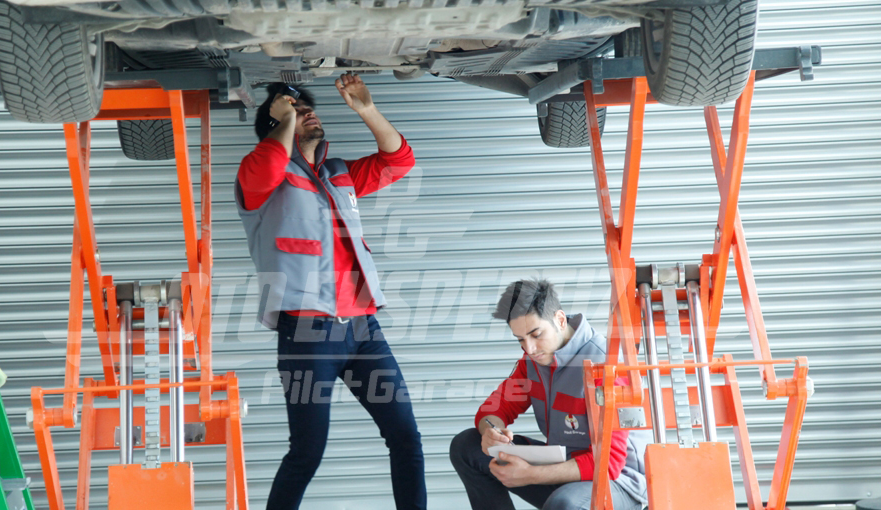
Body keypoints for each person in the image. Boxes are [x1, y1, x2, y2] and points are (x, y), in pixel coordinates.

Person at [235, 75, 426, 510]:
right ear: (277, 124)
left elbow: (399, 160)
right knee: (306, 453)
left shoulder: (339, 173)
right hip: (307, 336)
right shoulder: (261, 176)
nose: (308, 113)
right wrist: (283, 120)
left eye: (308, 109)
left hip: (363, 331)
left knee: (405, 437)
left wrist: (367, 110)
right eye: (296, 111)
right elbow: (268, 164)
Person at [450, 279, 650, 510]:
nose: (529, 348)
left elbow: (610, 464)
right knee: (467, 446)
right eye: (521, 339)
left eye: (536, 334)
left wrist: (530, 474)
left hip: (619, 482)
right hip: (563, 466)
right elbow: (495, 408)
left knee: (563, 504)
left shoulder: (607, 365)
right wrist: (491, 432)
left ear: (560, 319)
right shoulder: (534, 362)